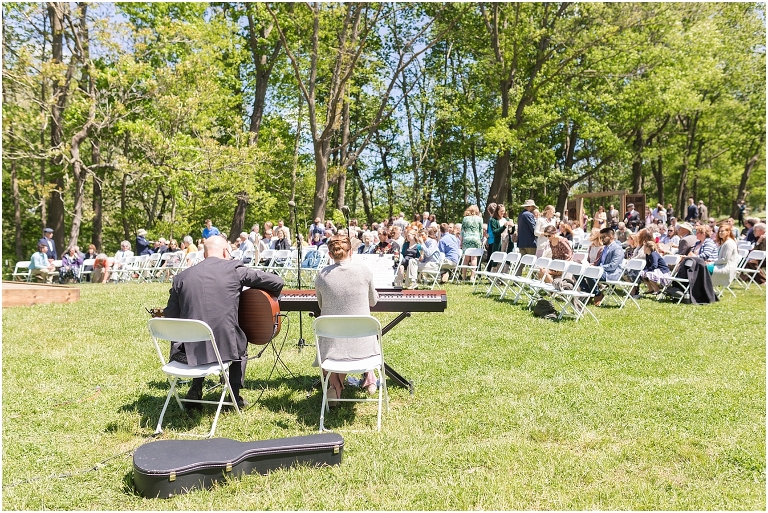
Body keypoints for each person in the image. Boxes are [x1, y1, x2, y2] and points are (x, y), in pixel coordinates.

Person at [164, 235, 284, 409]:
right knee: (238, 343)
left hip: (187, 352)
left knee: (200, 337)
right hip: (226, 349)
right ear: (225, 251)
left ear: (204, 254)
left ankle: (196, 388)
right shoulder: (234, 269)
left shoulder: (181, 278)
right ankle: (233, 396)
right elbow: (276, 281)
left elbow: (171, 316)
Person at [314, 234, 380, 404]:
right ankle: (368, 376)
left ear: (330, 254)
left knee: (334, 338)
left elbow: (321, 305)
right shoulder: (364, 271)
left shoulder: (322, 275)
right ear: (351, 252)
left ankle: (335, 385)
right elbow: (373, 301)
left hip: (331, 353)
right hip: (365, 350)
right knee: (351, 336)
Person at [581, 227, 624, 306]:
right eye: (601, 237)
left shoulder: (617, 249)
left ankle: (597, 294)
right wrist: (591, 265)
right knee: (579, 271)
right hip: (601, 271)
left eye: (603, 237)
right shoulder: (604, 248)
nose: (601, 239)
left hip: (611, 274)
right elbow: (598, 262)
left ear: (611, 236)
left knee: (590, 273)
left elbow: (613, 266)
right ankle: (589, 292)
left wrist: (598, 268)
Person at [709, 222, 740, 287]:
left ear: (728, 232)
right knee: (702, 267)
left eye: (722, 231)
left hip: (726, 268)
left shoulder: (729, 243)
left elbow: (724, 260)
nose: (720, 233)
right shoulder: (724, 243)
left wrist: (712, 263)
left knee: (704, 268)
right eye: (719, 231)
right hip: (721, 265)